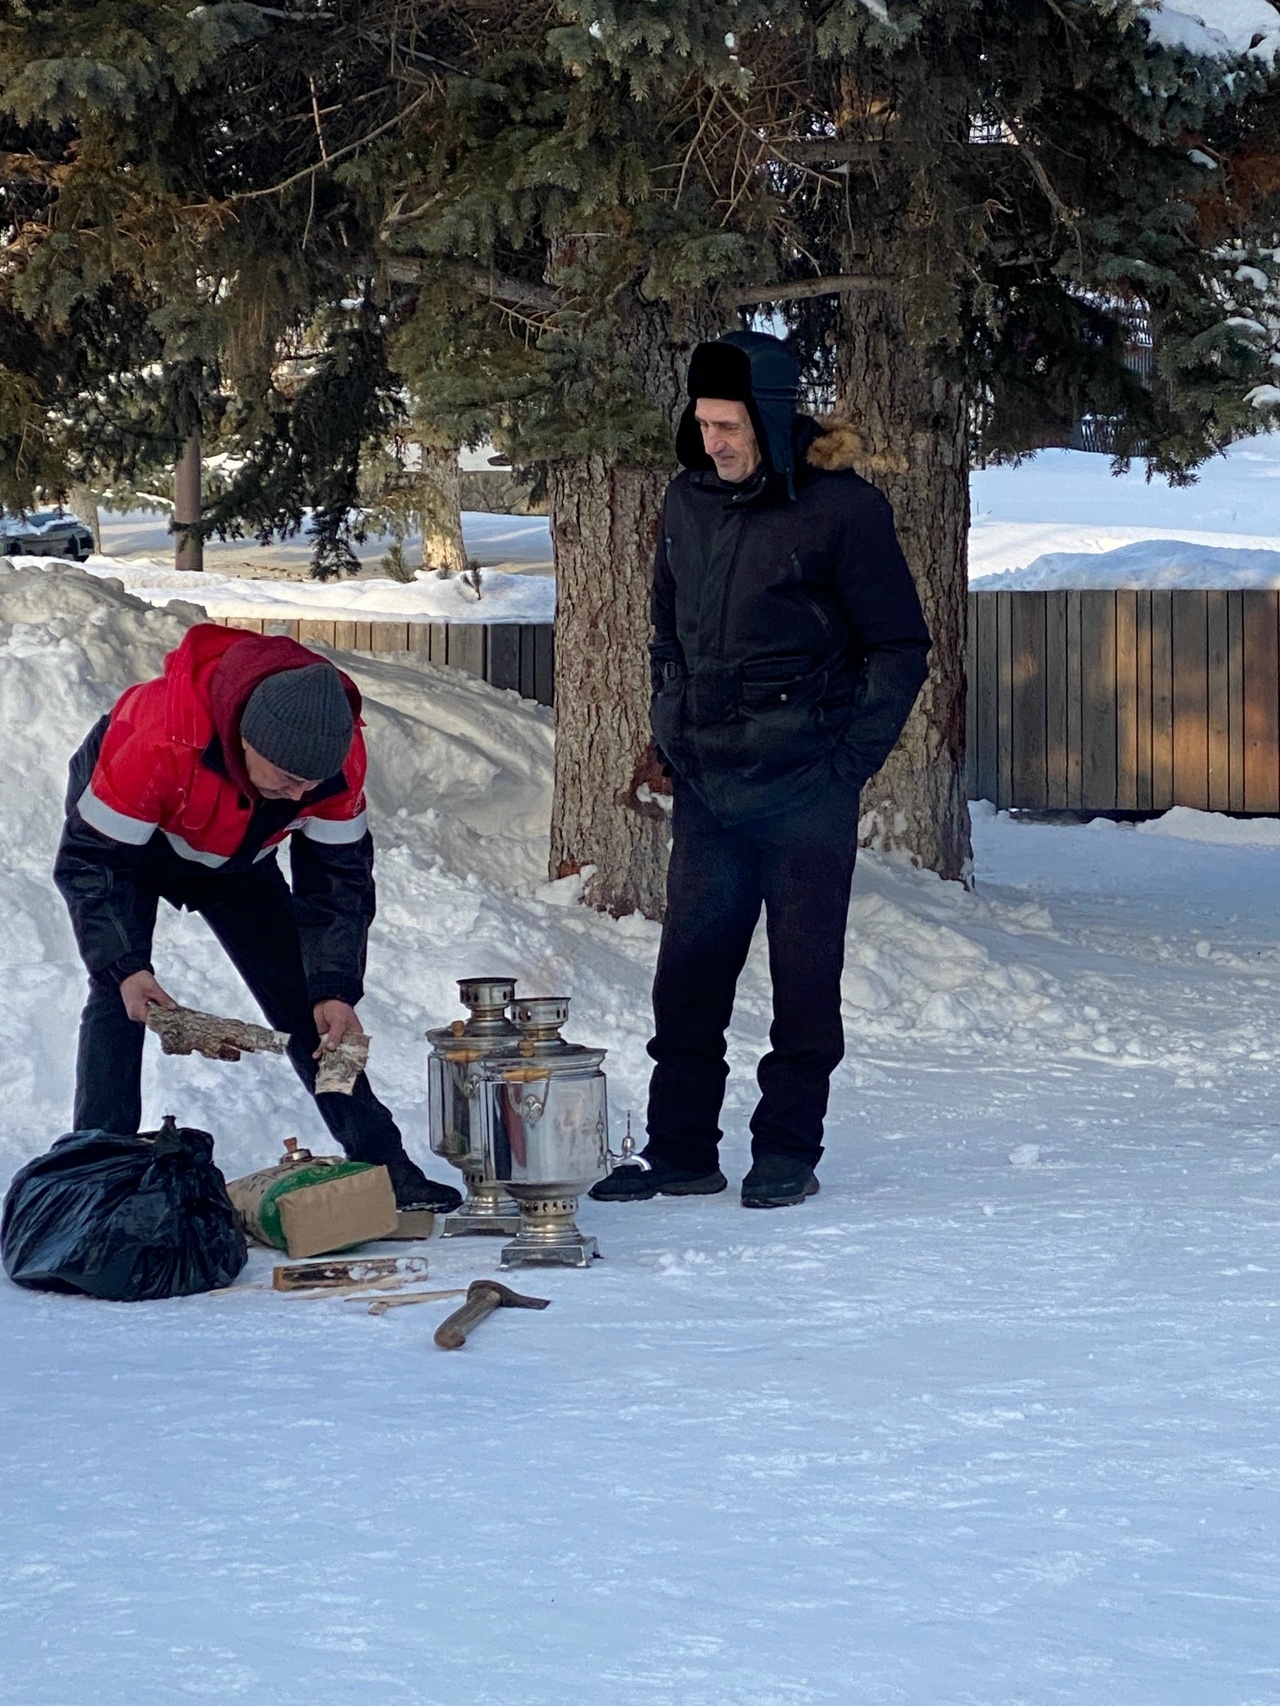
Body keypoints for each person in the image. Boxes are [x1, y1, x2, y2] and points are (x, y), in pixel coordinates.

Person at [592, 330, 930, 1211]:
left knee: (803, 981)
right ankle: (680, 1153)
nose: (714, 442)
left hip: (805, 787)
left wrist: (847, 765)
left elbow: (899, 646)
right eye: (703, 424)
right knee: (688, 980)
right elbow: (666, 631)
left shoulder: (842, 510)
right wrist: (673, 723)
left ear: (771, 421)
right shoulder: (686, 501)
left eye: (729, 424)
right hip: (710, 784)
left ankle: (787, 1148)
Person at [53, 622, 462, 1213]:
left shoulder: (335, 759)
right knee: (120, 998)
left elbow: (337, 882)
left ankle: (384, 1164)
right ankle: (99, 1178)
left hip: (237, 850)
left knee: (312, 1004)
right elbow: (93, 864)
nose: (300, 798)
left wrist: (336, 985)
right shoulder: (159, 739)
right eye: (289, 780)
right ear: (247, 739)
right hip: (130, 848)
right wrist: (124, 965)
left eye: (311, 784)